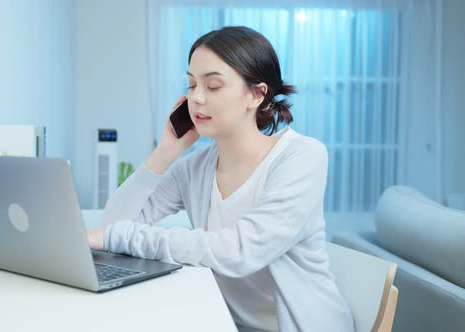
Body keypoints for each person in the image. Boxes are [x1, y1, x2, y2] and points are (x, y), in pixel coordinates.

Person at [87, 26, 354, 332]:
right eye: (191, 85)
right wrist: (164, 153)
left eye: (213, 86)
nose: (197, 98)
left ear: (256, 94)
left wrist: (114, 236)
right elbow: (115, 223)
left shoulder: (302, 158)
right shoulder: (195, 168)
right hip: (225, 322)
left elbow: (239, 251)